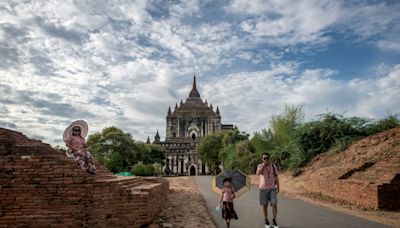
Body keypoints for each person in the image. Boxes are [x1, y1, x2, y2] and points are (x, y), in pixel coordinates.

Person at [257, 152, 279, 228]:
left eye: (267, 158)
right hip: (263, 189)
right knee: (265, 205)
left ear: (269, 158)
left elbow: (276, 177)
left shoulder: (273, 166)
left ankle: (274, 220)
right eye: (264, 158)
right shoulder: (260, 166)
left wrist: (278, 187)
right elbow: (258, 173)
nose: (266, 159)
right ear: (262, 159)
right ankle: (266, 220)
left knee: (274, 204)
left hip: (272, 188)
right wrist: (263, 166)